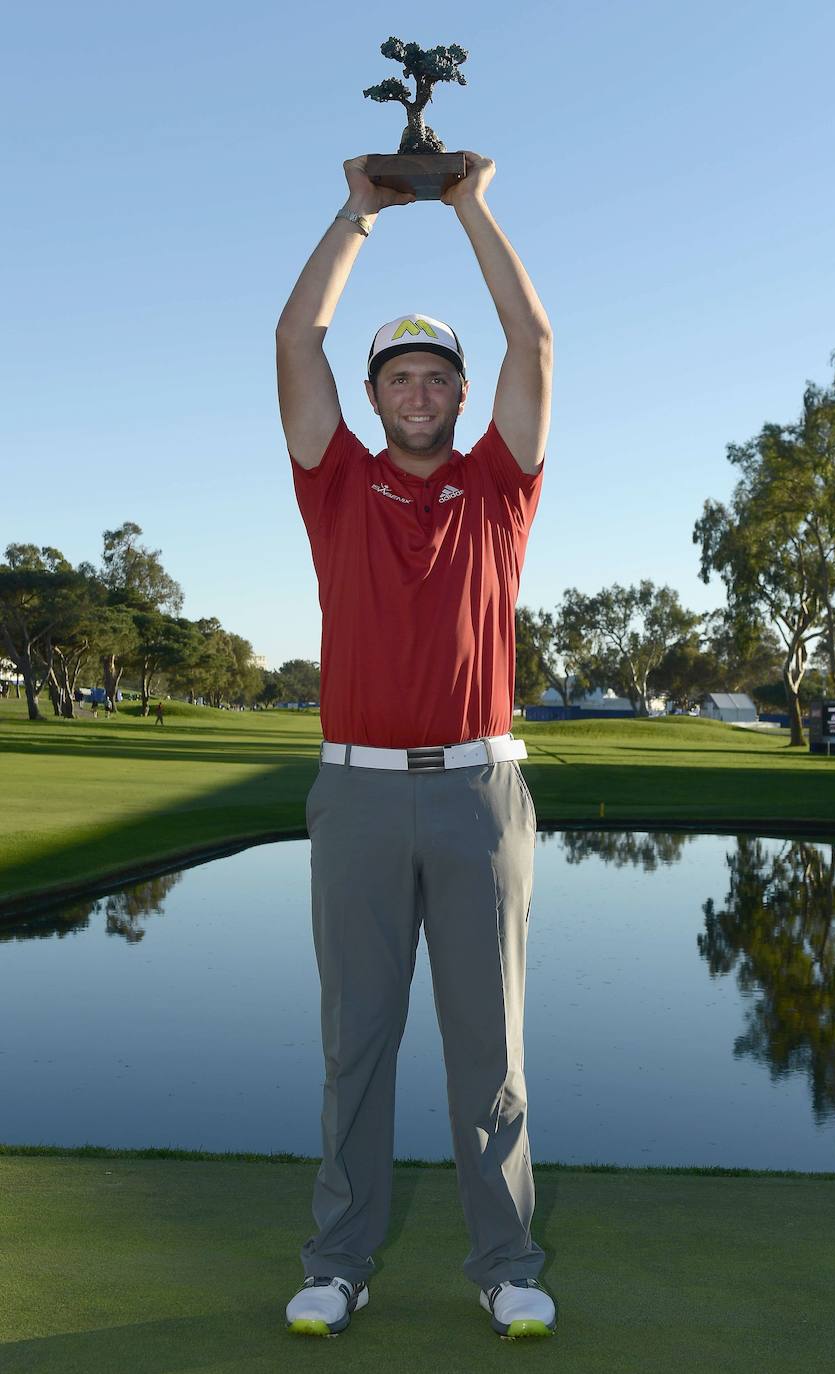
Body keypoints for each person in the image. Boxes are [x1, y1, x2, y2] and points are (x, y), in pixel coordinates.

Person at [276, 153, 554, 1341]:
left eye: (438, 373)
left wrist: (468, 202)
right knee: (357, 1048)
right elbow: (295, 341)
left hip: (480, 793)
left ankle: (504, 1267)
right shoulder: (334, 484)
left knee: (489, 1053)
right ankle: (338, 1264)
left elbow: (533, 344)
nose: (420, 388)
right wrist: (361, 213)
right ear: (377, 392)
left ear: (457, 393)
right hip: (355, 795)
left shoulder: (501, 486)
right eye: (399, 372)